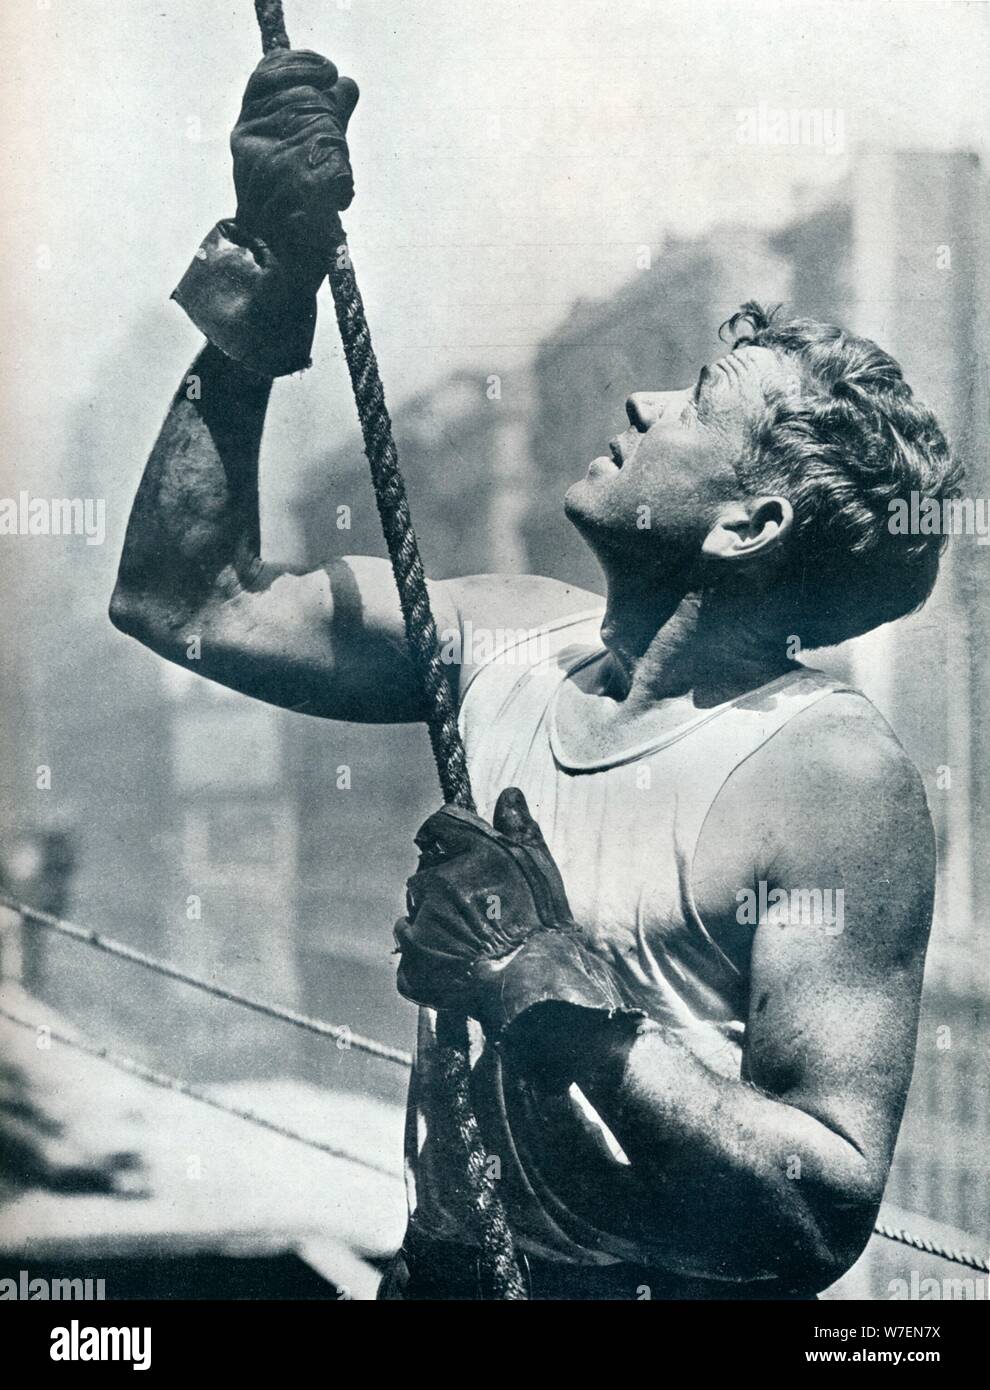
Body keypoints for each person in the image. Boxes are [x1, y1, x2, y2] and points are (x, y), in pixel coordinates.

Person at [110, 48, 962, 1299]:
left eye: (697, 396)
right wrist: (264, 268)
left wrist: (544, 994)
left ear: (750, 525)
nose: (638, 396)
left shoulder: (828, 772)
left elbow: (819, 1205)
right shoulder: (512, 641)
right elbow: (185, 601)